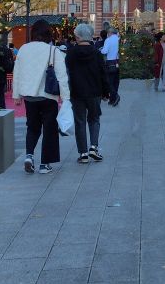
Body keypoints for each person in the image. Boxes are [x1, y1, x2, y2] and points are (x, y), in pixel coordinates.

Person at [12, 19, 70, 174]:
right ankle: (45, 164)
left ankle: (29, 156)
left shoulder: (23, 49)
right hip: (48, 96)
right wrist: (65, 96)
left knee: (32, 127)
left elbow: (17, 72)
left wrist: (16, 94)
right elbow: (62, 76)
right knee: (49, 129)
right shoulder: (53, 51)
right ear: (48, 34)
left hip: (29, 97)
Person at [65, 22, 109, 163]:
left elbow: (67, 73)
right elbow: (103, 74)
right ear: (90, 36)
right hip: (94, 91)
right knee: (94, 119)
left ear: (77, 36)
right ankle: (93, 147)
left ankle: (83, 153)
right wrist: (106, 92)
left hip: (76, 92)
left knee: (80, 121)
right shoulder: (96, 53)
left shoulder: (71, 53)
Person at [101, 21, 120, 106]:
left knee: (109, 81)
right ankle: (112, 99)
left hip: (110, 62)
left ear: (110, 33)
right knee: (116, 81)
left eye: (107, 33)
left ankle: (115, 96)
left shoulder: (108, 40)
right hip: (118, 61)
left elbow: (105, 51)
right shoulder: (119, 38)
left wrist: (100, 50)